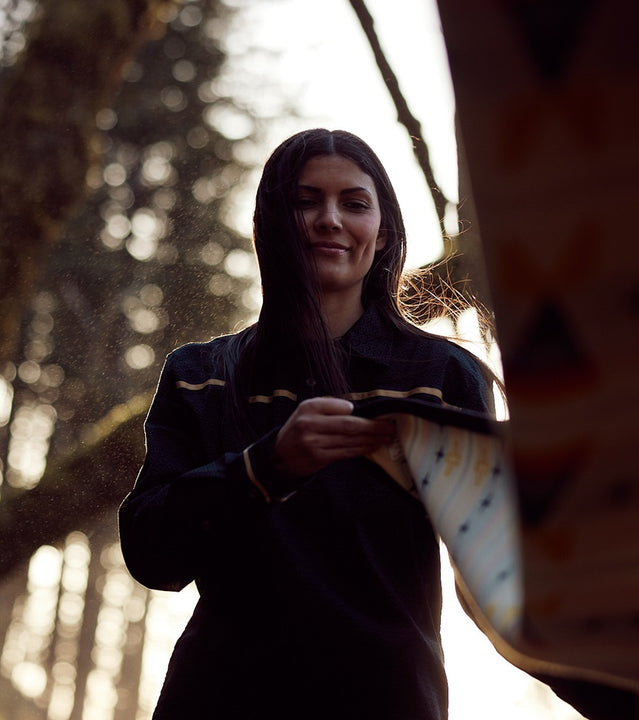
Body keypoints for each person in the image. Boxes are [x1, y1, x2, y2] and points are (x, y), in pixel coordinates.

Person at [118, 128, 494, 719]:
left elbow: (499, 566)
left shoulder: (443, 376)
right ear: (269, 222)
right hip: (220, 700)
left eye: (354, 202)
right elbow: (151, 557)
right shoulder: (200, 376)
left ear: (384, 230)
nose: (328, 219)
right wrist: (265, 467)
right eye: (304, 201)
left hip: (389, 701)